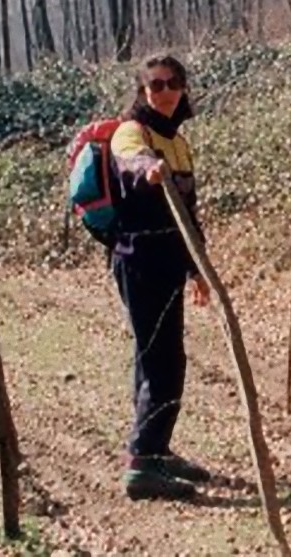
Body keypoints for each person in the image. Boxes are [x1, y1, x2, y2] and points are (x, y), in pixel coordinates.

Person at [109, 54, 213, 499]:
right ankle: (142, 462)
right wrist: (147, 169)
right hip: (140, 260)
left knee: (157, 355)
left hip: (171, 259)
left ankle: (156, 449)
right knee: (163, 360)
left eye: (173, 83)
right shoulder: (132, 133)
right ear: (142, 92)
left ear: (184, 88)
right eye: (156, 85)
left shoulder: (179, 141)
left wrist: (198, 268)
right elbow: (130, 160)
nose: (166, 91)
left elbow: (189, 212)